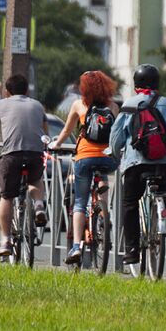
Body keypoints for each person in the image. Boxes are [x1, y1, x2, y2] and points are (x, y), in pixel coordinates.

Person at [110, 64, 166, 265]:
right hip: (164, 162)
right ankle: (165, 216)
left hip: (136, 163)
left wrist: (116, 156)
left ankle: (132, 249)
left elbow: (116, 137)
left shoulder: (129, 105)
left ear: (136, 84)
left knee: (130, 202)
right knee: (162, 184)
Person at [49, 71, 119, 264]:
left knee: (80, 201)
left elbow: (66, 130)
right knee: (102, 176)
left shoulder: (79, 105)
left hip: (84, 157)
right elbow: (117, 134)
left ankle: (76, 246)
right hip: (108, 159)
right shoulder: (113, 106)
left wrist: (56, 144)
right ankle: (104, 216)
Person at [0, 74, 49, 257]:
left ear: (6, 92)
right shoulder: (38, 106)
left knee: (7, 196)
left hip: (11, 155)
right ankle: (40, 205)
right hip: (35, 154)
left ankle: (6, 240)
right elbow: (45, 135)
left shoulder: (0, 105)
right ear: (27, 90)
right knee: (35, 179)